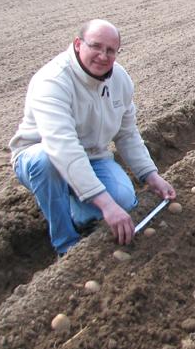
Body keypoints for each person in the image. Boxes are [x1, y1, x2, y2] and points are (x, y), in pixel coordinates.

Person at [10, 19, 176, 255]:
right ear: (78, 44)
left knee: (124, 201)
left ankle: (76, 203)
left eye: (110, 50)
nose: (103, 55)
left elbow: (127, 132)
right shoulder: (53, 81)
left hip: (93, 157)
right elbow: (62, 147)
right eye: (96, 46)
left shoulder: (119, 79)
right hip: (43, 155)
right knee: (45, 161)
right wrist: (105, 205)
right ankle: (65, 243)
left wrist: (151, 175)